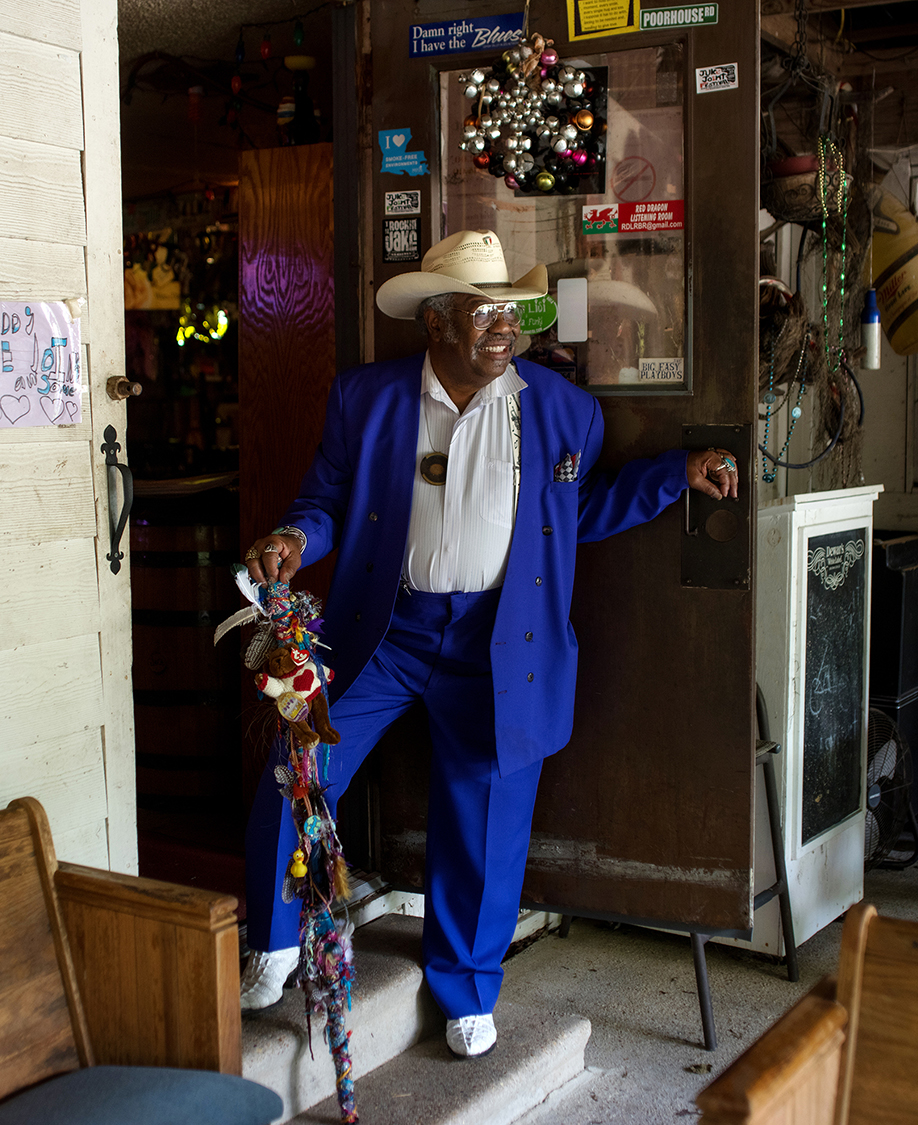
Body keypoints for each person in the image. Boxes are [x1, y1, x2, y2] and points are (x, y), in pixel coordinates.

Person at [239, 229, 739, 1058]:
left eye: (514, 312)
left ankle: (467, 987)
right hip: (387, 630)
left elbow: (575, 514)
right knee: (301, 766)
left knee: (486, 814)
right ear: (436, 320)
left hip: (499, 637)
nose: (506, 328)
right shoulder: (366, 399)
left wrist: (671, 476)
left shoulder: (563, 409)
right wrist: (294, 537)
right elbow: (324, 501)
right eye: (484, 313)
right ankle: (275, 941)